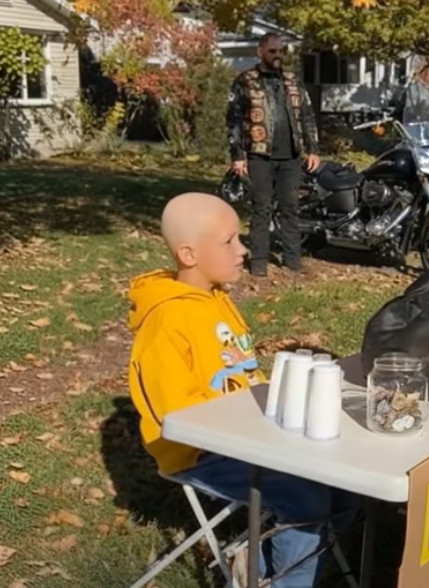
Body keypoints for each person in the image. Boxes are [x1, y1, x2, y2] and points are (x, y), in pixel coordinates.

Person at [126, 192, 356, 587]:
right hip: (199, 453)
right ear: (189, 253)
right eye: (228, 241)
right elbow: (180, 419)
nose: (243, 249)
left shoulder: (215, 299)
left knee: (347, 479)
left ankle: (265, 568)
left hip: (250, 434)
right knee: (306, 498)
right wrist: (254, 427)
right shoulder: (167, 321)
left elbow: (239, 373)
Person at [227, 32, 321, 277]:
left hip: (290, 157)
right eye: (273, 51)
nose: (278, 55)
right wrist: (237, 155)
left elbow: (307, 115)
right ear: (260, 52)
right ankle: (258, 262)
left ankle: (292, 259)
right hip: (259, 156)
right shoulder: (244, 81)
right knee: (261, 207)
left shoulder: (292, 81)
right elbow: (233, 120)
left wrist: (313, 149)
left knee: (290, 207)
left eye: (281, 51)